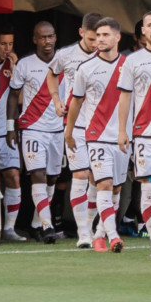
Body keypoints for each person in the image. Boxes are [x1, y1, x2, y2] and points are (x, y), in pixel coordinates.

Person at [64, 17, 128, 253]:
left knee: (116, 189)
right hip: (96, 135)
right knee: (103, 183)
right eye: (97, 35)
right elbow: (76, 102)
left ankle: (99, 232)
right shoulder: (86, 68)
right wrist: (69, 132)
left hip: (122, 137)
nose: (100, 39)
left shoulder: (129, 66)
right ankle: (111, 236)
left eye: (105, 35)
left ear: (117, 37)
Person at [115, 9, 151, 257]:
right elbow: (125, 97)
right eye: (149, 25)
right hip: (144, 135)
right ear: (142, 31)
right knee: (148, 190)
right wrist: (122, 130)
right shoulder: (132, 61)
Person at [8, 19, 67, 243]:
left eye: (50, 36)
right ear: (34, 39)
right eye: (42, 37)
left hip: (57, 130)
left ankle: (35, 223)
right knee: (38, 175)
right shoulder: (24, 64)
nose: (47, 41)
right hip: (32, 128)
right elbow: (13, 96)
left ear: (55, 38)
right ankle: (47, 225)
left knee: (52, 178)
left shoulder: (65, 62)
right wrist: (10, 126)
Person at [51, 13, 104, 248]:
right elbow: (52, 74)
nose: (95, 44)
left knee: (97, 178)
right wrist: (56, 100)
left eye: (99, 38)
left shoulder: (106, 55)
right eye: (92, 39)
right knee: (80, 175)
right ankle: (83, 233)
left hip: (101, 125)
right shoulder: (66, 55)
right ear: (82, 33)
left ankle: (91, 226)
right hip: (75, 124)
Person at [0, 29, 26, 241]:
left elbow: (21, 99)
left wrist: (14, 71)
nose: (7, 49)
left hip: (6, 132)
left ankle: (9, 229)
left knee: (13, 176)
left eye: (10, 44)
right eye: (3, 43)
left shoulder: (14, 67)